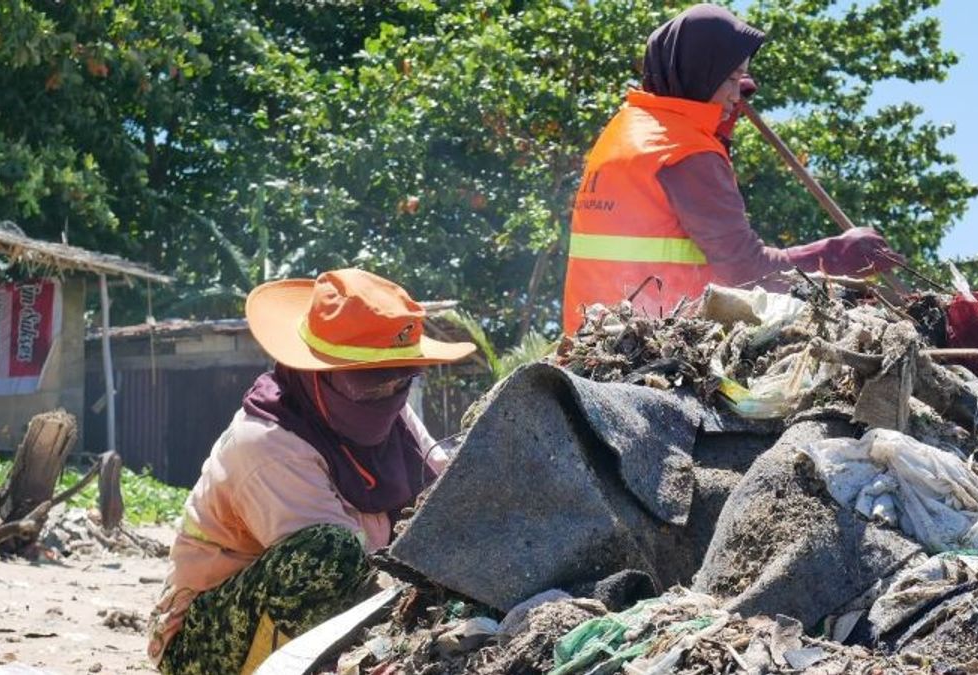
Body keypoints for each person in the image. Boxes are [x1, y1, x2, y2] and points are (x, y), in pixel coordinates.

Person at [146, 268, 476, 674]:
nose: (388, 397)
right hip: (205, 640)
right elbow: (350, 581)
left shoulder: (394, 417)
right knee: (326, 555)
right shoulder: (268, 444)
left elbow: (442, 497)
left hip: (339, 604)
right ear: (316, 375)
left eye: (398, 382)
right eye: (370, 385)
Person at [561, 3, 904, 334]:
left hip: (590, 337)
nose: (736, 96)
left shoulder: (628, 127)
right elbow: (747, 270)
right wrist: (837, 255)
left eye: (741, 81)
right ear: (700, 74)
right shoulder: (687, 151)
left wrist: (715, 126)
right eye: (730, 79)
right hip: (654, 342)